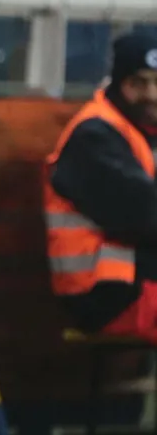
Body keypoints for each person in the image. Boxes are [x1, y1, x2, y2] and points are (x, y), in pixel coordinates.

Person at [45, 32, 157, 342]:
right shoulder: (94, 137)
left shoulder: (140, 131)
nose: (152, 94)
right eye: (139, 83)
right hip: (111, 297)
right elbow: (144, 215)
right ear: (119, 84)